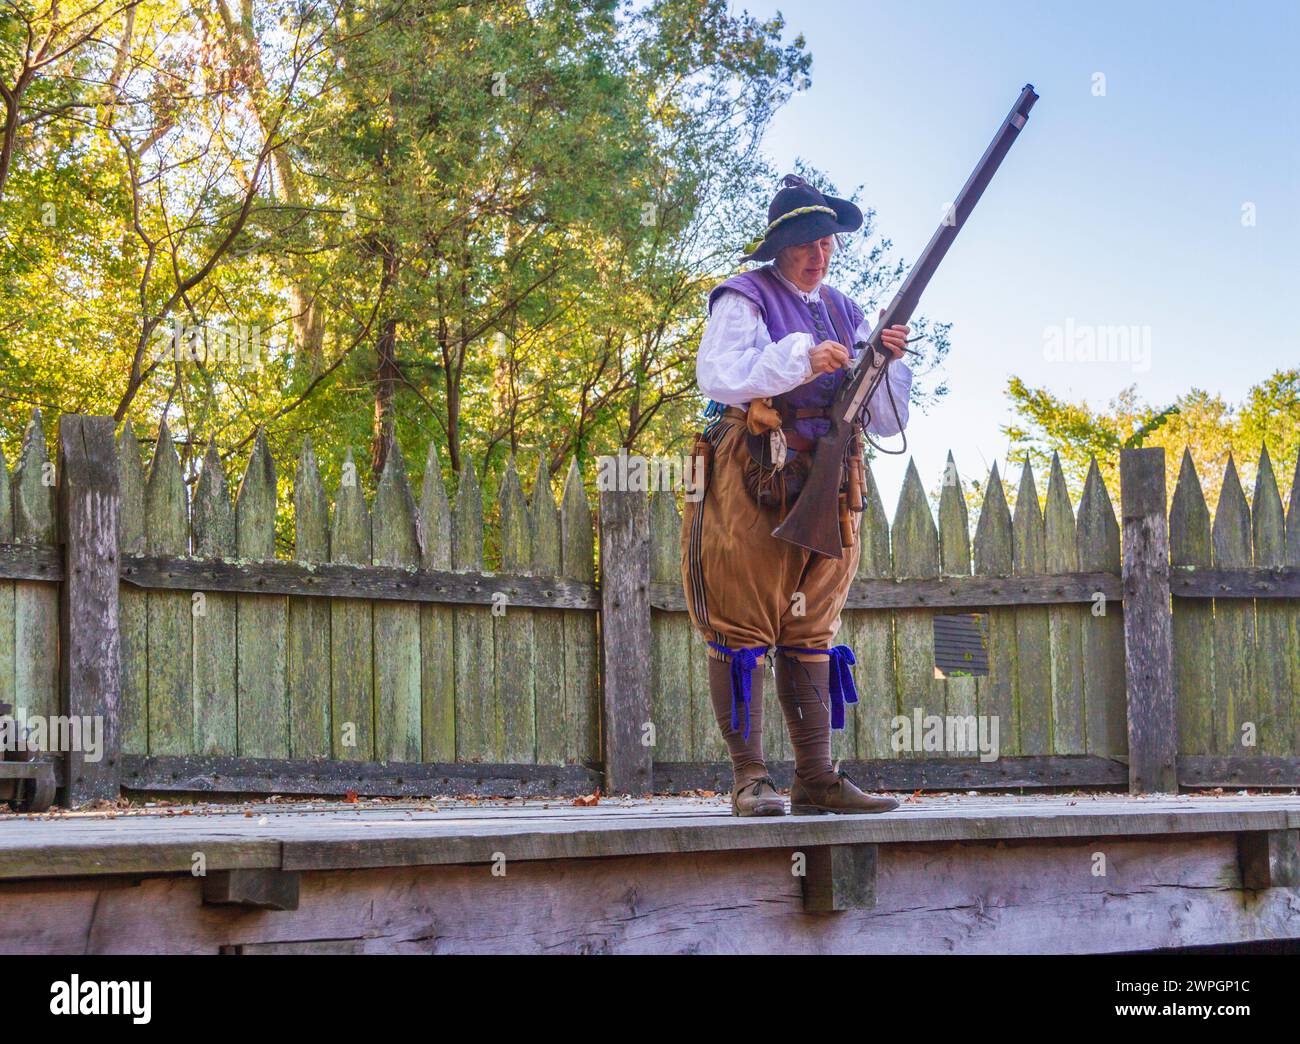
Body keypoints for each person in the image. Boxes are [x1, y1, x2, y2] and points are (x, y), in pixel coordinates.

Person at [680, 174, 913, 817]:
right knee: (741, 623)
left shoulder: (847, 309)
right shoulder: (745, 297)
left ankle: (815, 776)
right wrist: (801, 361)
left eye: (827, 243)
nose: (819, 255)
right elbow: (721, 376)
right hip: (754, 476)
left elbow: (890, 420)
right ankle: (751, 778)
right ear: (780, 249)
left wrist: (884, 361)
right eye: (806, 244)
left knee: (812, 628)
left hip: (832, 482)